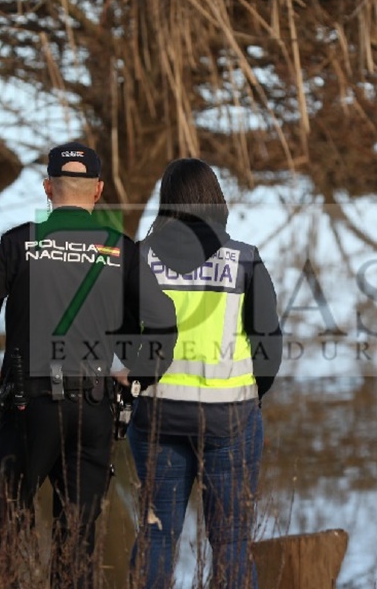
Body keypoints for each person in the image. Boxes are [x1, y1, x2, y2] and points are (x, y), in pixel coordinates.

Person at [0, 141, 177, 588]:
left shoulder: (21, 243)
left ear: (47, 189)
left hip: (28, 407)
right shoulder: (120, 249)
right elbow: (164, 323)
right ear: (97, 191)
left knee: (0, 538)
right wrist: (136, 375)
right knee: (76, 547)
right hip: (94, 408)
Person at [118, 158, 283, 589]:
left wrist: (137, 384)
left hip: (156, 413)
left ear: (165, 202)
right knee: (230, 540)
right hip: (231, 416)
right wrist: (253, 393)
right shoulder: (245, 259)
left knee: (156, 533)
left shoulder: (138, 257)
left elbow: (118, 337)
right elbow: (268, 341)